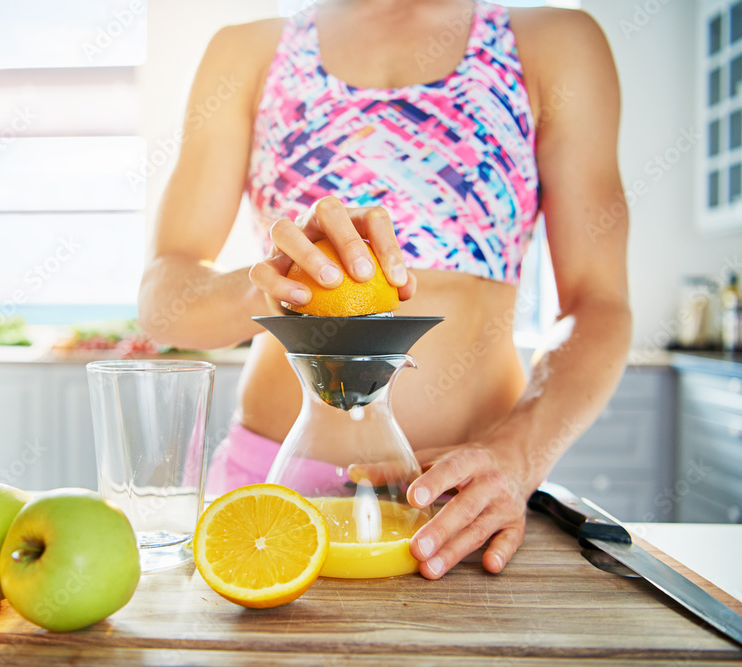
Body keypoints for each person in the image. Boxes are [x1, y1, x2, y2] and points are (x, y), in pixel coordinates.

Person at [138, 0, 631, 580]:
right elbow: (163, 300)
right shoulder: (249, 52)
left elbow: (598, 303)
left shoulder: (555, 44)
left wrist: (517, 455)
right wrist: (269, 292)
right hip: (271, 492)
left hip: (467, 503)